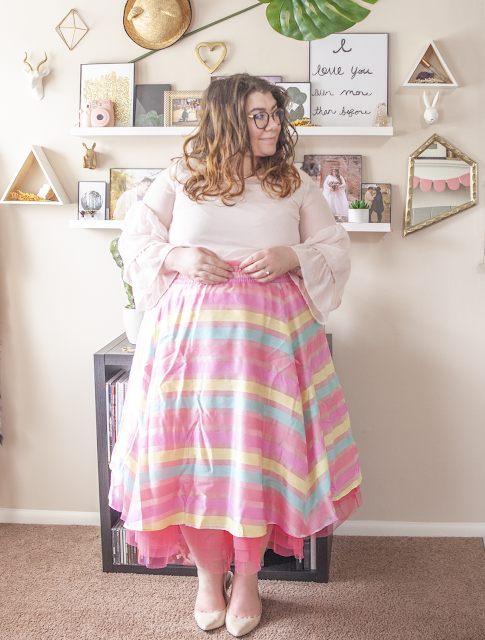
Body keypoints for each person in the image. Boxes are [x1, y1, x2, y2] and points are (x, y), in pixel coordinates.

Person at [108, 74, 362, 636]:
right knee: (193, 463)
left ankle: (247, 581)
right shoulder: (181, 174)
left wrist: (289, 253)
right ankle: (207, 579)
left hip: (267, 349)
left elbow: (333, 248)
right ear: (227, 119)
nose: (272, 125)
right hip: (188, 349)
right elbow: (136, 239)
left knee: (253, 460)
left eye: (274, 113)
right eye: (258, 115)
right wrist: (178, 258)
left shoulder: (293, 181)